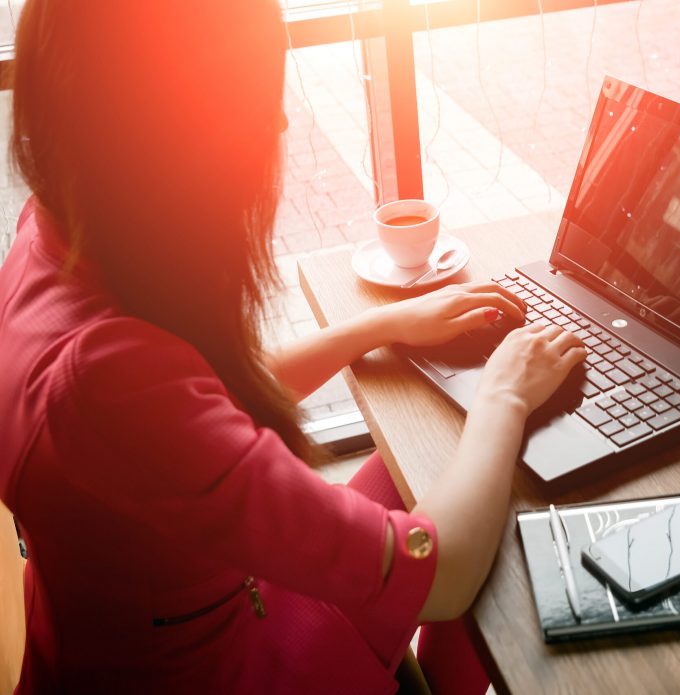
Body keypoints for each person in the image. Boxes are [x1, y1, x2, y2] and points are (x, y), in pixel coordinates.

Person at [0, 1, 586, 693]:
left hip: (165, 625)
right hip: (234, 663)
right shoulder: (105, 383)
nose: (277, 123)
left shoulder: (51, 239)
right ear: (174, 138)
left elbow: (189, 414)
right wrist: (506, 394)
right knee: (496, 492)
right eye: (259, 99)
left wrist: (380, 327)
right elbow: (444, 574)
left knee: (438, 467)